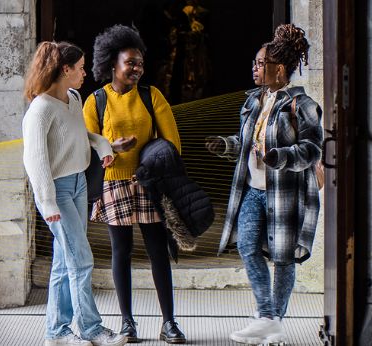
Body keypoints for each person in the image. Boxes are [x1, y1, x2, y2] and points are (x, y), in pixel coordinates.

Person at [206, 24, 323, 345]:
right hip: (253, 192)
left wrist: (276, 156)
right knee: (246, 247)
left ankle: (271, 322)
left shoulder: (303, 105)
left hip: (285, 195)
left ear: (279, 69)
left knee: (283, 258)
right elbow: (247, 143)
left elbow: (312, 150)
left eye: (260, 63)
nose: (254, 68)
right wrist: (226, 145)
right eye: (256, 63)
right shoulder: (254, 101)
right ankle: (268, 317)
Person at [83, 24, 187, 344]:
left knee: (158, 250)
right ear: (113, 64)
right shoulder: (96, 101)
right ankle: (128, 323)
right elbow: (88, 146)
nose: (137, 68)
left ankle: (169, 323)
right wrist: (110, 150)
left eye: (140, 63)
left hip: (148, 183)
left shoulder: (151, 95)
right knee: (121, 251)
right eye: (130, 62)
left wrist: (153, 163)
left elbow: (173, 144)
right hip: (114, 184)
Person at [22, 41, 128, 346]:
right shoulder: (40, 109)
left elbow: (78, 133)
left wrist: (101, 145)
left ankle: (56, 332)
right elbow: (35, 159)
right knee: (80, 260)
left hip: (79, 184)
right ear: (64, 69)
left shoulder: (72, 97)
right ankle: (92, 329)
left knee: (64, 261)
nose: (85, 73)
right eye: (80, 68)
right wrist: (47, 201)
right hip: (57, 191)